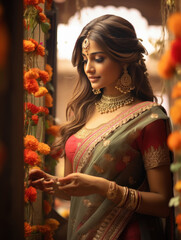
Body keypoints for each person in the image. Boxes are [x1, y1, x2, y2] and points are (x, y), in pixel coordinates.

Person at [29, 14, 175, 240]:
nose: (88, 68)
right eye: (85, 59)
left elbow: (163, 203)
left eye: (98, 58)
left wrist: (103, 187)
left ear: (124, 59)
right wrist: (55, 185)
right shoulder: (83, 113)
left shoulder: (149, 119)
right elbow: (81, 193)